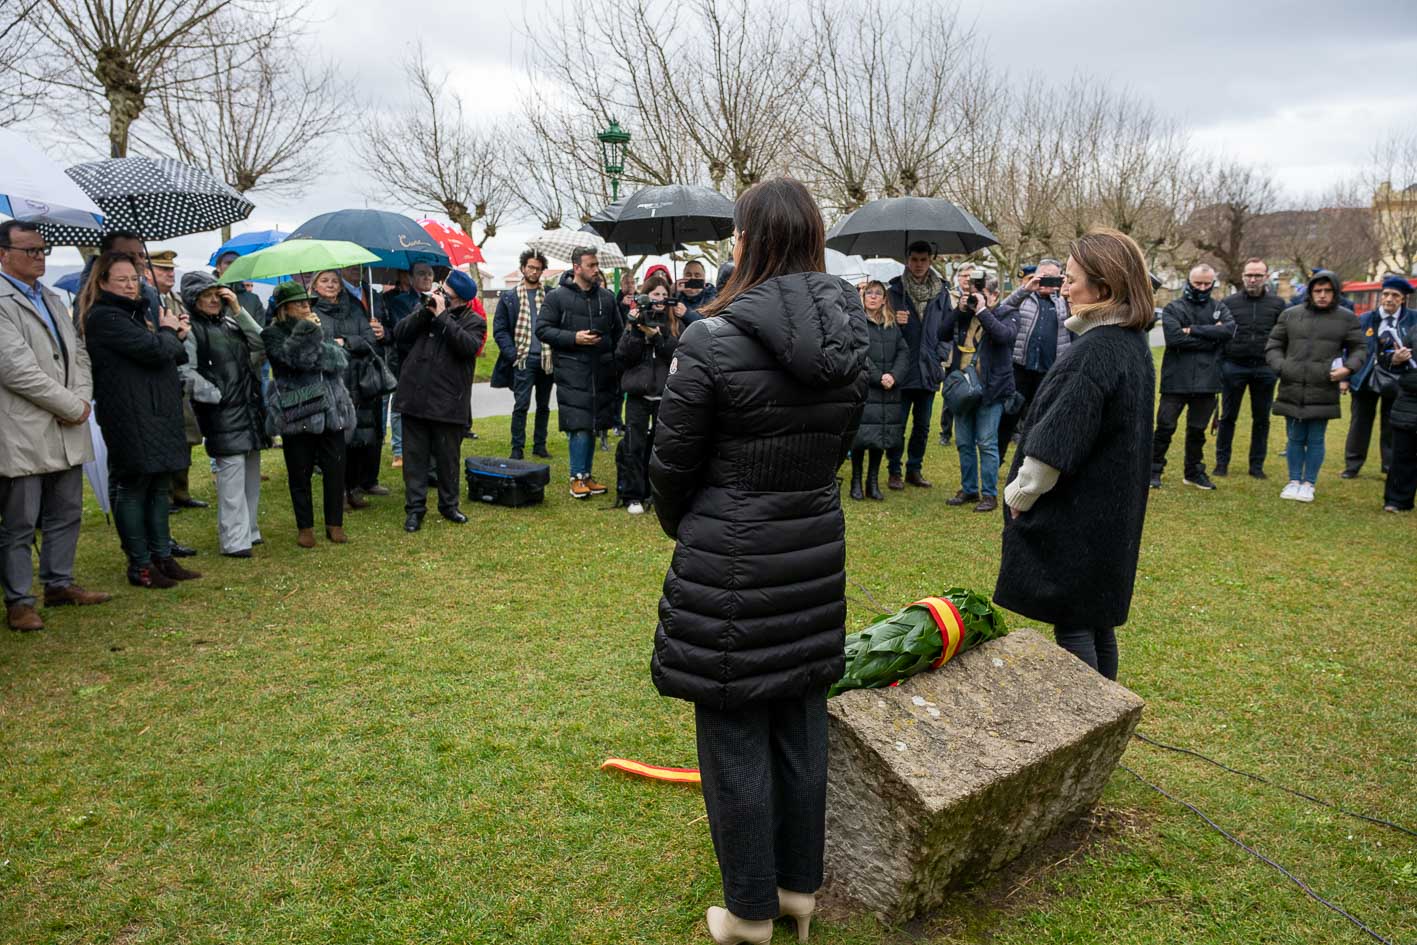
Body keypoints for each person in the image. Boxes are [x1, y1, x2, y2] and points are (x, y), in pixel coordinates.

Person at [649, 177, 867, 945]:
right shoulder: (850, 333)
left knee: (736, 726)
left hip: (735, 548)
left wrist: (697, 522)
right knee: (799, 718)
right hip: (809, 539)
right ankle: (795, 891)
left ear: (746, 242)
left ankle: (749, 911)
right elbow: (839, 446)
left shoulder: (710, 337)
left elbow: (670, 465)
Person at [995, 227, 1157, 682]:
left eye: (1071, 279)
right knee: (1096, 620)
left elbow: (1058, 439)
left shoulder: (1096, 351)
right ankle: (1106, 725)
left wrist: (1022, 495)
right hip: (1110, 511)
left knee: (1075, 624)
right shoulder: (1130, 344)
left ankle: (1091, 726)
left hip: (1080, 513)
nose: (1063, 288)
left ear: (1103, 288)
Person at [0, 221, 111, 631]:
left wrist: (81, 400)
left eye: (43, 250)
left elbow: (77, 352)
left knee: (66, 510)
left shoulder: (49, 297)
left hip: (67, 421)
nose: (40, 257)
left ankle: (59, 583)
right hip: (23, 426)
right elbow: (15, 369)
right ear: (3, 254)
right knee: (21, 520)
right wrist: (69, 403)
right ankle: (19, 600)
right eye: (30, 251)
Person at [80, 252, 200, 588]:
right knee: (134, 486)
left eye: (134, 279)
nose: (131, 286)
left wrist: (169, 335)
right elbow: (155, 351)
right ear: (102, 282)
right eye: (122, 280)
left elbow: (174, 352)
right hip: (129, 414)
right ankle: (141, 564)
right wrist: (167, 332)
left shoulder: (138, 313)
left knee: (160, 485)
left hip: (156, 410)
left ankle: (162, 556)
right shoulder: (104, 317)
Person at [261, 282, 354, 546]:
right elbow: (291, 360)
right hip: (299, 409)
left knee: (336, 468)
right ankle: (305, 527)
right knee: (299, 471)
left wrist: (317, 339)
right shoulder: (273, 333)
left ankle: (334, 523)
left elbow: (339, 360)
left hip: (331, 409)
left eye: (308, 303)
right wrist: (308, 334)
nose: (307, 307)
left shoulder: (317, 325)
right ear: (284, 308)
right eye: (300, 303)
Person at [182, 271, 267, 558]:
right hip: (222, 411)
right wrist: (214, 394)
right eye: (206, 296)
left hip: (248, 408)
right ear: (194, 300)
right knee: (231, 475)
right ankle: (234, 539)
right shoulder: (192, 330)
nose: (213, 300)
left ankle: (250, 530)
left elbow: (261, 343)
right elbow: (184, 371)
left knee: (251, 474)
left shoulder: (232, 322)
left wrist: (239, 311)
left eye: (216, 294)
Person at [393, 270, 485, 532]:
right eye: (441, 291)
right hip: (415, 397)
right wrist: (425, 312)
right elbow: (400, 333)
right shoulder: (424, 311)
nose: (440, 296)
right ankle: (414, 510)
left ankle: (449, 506)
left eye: (447, 296)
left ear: (461, 301)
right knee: (414, 459)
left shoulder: (474, 321)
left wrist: (443, 316)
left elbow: (468, 346)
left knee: (447, 459)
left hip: (448, 403)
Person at [1265, 270, 1367, 503]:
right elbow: (1274, 345)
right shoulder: (1290, 315)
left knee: (1316, 438)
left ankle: (1309, 482)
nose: (1322, 295)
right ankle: (1293, 481)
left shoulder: (1346, 318)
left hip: (1324, 385)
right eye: (1318, 290)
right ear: (1310, 292)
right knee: (1295, 436)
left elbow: (1359, 348)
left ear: (1335, 292)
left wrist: (1348, 369)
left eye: (1327, 291)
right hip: (1292, 384)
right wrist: (1282, 367)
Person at [536, 247, 623, 498]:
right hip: (572, 371)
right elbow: (542, 329)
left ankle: (587, 476)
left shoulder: (606, 297)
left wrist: (613, 359)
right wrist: (574, 338)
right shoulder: (557, 297)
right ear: (576, 268)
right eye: (591, 265)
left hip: (601, 370)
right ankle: (576, 477)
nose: (596, 270)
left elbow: (618, 332)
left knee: (594, 422)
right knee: (579, 425)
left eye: (597, 265)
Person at [1150, 264, 1235, 490]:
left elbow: (1228, 331)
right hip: (1176, 380)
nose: (1203, 288)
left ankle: (1194, 471)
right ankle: (1153, 470)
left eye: (1208, 284)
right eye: (1198, 283)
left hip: (1207, 381)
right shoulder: (1173, 308)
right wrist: (1211, 336)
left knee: (1198, 431)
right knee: (1165, 427)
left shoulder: (1219, 308)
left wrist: (1193, 330)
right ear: (1189, 282)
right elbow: (1175, 338)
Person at [941, 275, 1019, 512]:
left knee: (986, 442)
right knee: (964, 442)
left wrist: (983, 311)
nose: (975, 298)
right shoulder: (965, 314)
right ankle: (969, 489)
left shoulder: (1007, 313)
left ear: (994, 295)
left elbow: (1004, 336)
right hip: (963, 389)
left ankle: (989, 495)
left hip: (991, 389)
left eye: (980, 293)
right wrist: (959, 310)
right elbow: (941, 333)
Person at [310, 270, 383, 511]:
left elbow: (369, 339)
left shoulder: (355, 307)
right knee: (334, 441)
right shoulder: (311, 312)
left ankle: (353, 487)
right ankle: (337, 492)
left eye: (334, 281)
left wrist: (346, 342)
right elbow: (314, 345)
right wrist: (334, 344)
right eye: (324, 281)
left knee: (358, 440)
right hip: (330, 382)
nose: (330, 285)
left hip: (359, 381)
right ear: (315, 285)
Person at [614, 274, 682, 514]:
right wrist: (635, 330)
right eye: (655, 294)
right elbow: (623, 357)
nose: (660, 299)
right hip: (638, 395)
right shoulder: (635, 321)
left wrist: (658, 337)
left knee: (661, 449)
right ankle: (634, 495)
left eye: (664, 295)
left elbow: (678, 355)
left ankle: (657, 494)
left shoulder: (674, 323)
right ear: (646, 296)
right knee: (634, 445)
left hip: (664, 395)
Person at [885, 241, 950, 490]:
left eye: (923, 259)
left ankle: (915, 469)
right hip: (902, 368)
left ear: (930, 261)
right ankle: (894, 470)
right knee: (897, 424)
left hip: (929, 369)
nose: (919, 264)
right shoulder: (894, 291)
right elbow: (881, 327)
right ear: (907, 260)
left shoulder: (942, 292)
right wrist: (894, 320)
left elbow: (948, 328)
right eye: (914, 259)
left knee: (922, 426)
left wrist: (940, 356)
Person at [1214, 258, 1286, 478]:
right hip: (1234, 366)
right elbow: (1220, 334)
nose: (1252, 279)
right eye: (1249, 275)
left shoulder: (1278, 305)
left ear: (1266, 277)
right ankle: (1222, 463)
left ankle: (1256, 466)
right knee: (1227, 417)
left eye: (1257, 275)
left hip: (1265, 368)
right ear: (1243, 276)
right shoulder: (1229, 302)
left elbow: (1283, 336)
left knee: (1261, 419)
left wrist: (1277, 363)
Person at [149, 250, 208, 512]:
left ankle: (181, 491)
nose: (170, 274)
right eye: (163, 270)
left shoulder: (176, 300)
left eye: (172, 270)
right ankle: (165, 495)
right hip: (158, 376)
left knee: (186, 435)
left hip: (180, 376)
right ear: (147, 272)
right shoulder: (146, 301)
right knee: (162, 440)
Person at [995, 259, 1071, 460]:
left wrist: (1067, 289)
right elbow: (1000, 311)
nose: (1047, 281)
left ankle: (1030, 463)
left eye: (1052, 277)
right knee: (1008, 416)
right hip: (1020, 368)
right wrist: (1025, 289)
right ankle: (996, 460)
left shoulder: (1064, 300)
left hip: (1050, 371)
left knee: (1039, 420)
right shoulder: (1025, 298)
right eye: (1043, 276)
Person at [1343, 276, 1417, 479]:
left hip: (1398, 379)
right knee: (1359, 422)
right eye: (1385, 294)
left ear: (1403, 299)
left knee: (1392, 423)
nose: (1389, 299)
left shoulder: (1413, 319)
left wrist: (1403, 356)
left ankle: (1389, 465)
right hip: (1365, 377)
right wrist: (1346, 376)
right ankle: (1353, 464)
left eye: (1395, 295)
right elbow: (1350, 347)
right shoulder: (1366, 318)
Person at [849, 281, 908, 501]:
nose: (873, 297)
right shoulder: (856, 323)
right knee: (860, 437)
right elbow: (858, 353)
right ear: (863, 297)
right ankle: (856, 480)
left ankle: (872, 482)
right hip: (865, 388)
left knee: (880, 438)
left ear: (884, 299)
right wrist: (878, 376)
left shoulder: (892, 326)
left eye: (878, 294)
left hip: (888, 392)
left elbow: (903, 353)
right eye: (869, 293)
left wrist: (894, 375)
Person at [493, 250, 554, 460]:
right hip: (523, 359)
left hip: (546, 359)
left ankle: (540, 445)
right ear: (522, 268)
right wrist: (512, 354)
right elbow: (499, 329)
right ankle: (517, 448)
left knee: (544, 406)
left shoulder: (550, 295)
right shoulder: (509, 297)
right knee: (521, 405)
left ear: (542, 271)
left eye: (538, 268)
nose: (534, 271)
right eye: (530, 267)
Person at [380, 265, 434, 469]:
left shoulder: (429, 299)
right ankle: (398, 451)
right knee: (396, 403)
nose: (427, 277)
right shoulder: (398, 300)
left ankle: (413, 448)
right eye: (421, 274)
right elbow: (400, 330)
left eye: (429, 273)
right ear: (409, 277)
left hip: (421, 359)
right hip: (400, 357)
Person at [1381, 313, 1417, 512]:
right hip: (1409, 402)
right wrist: (1396, 358)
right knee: (1403, 454)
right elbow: (1390, 359)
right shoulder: (1413, 330)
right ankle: (1397, 499)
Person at [211, 251, 265, 327]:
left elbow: (260, 333)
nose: (233, 266)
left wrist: (237, 310)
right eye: (228, 263)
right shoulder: (207, 296)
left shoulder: (253, 300)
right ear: (218, 267)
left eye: (237, 264)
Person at [676, 258, 718, 324]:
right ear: (683, 277)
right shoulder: (677, 295)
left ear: (704, 278)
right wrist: (671, 291)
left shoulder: (712, 296)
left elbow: (710, 323)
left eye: (697, 275)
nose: (692, 278)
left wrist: (687, 314)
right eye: (688, 275)